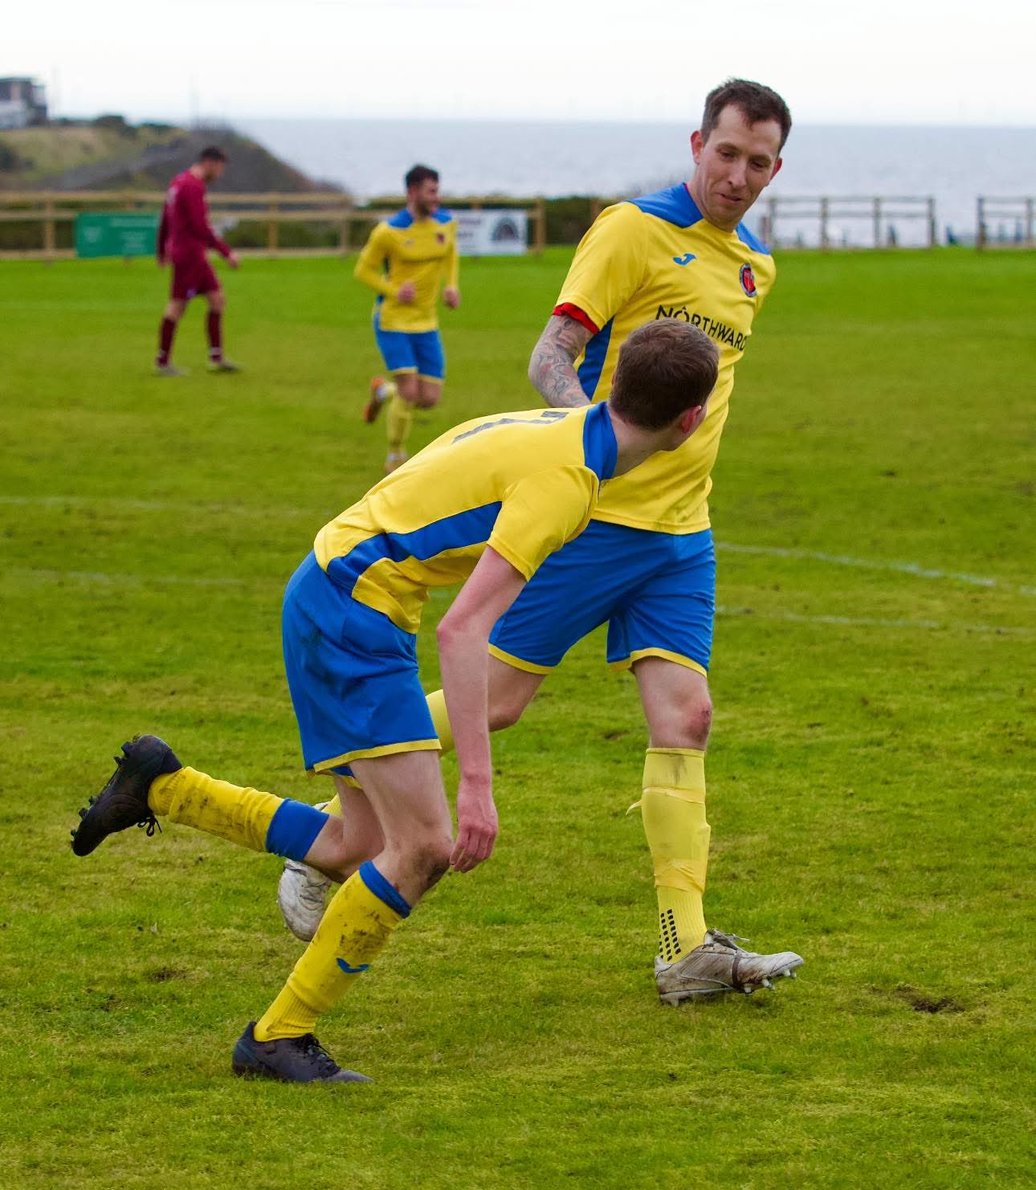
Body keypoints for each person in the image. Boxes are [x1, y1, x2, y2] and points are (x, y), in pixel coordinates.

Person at [70, 319, 717, 1084]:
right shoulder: (570, 482)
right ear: (692, 421)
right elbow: (465, 629)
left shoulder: (557, 428)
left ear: (614, 385)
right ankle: (277, 1036)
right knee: (425, 849)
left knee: (355, 846)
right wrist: (477, 786)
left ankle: (163, 786)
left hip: (339, 587)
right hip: (353, 608)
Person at [280, 78, 804, 1006]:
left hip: (684, 535)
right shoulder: (630, 231)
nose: (739, 176)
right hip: (595, 522)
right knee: (504, 699)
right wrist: (591, 455)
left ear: (775, 168)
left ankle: (684, 951)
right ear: (697, 144)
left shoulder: (758, 265)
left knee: (687, 718)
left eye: (759, 162)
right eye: (727, 154)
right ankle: (338, 829)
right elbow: (550, 359)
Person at [354, 164, 460, 473]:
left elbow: (451, 254)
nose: (436, 197)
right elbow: (363, 271)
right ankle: (395, 456)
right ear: (412, 192)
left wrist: (451, 286)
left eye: (437, 190)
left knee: (429, 398)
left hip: (427, 322)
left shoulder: (446, 224)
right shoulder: (389, 232)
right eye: (430, 191)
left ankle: (382, 392)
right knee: (409, 392)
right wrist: (393, 290)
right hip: (392, 321)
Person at [155, 145, 241, 377]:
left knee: (217, 299)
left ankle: (217, 358)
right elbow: (199, 226)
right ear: (210, 163)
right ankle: (162, 362)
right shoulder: (192, 187)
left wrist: (161, 247)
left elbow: (165, 216)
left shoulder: (178, 182)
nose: (220, 174)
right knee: (177, 305)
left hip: (190, 254)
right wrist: (226, 252)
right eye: (220, 168)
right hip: (189, 255)